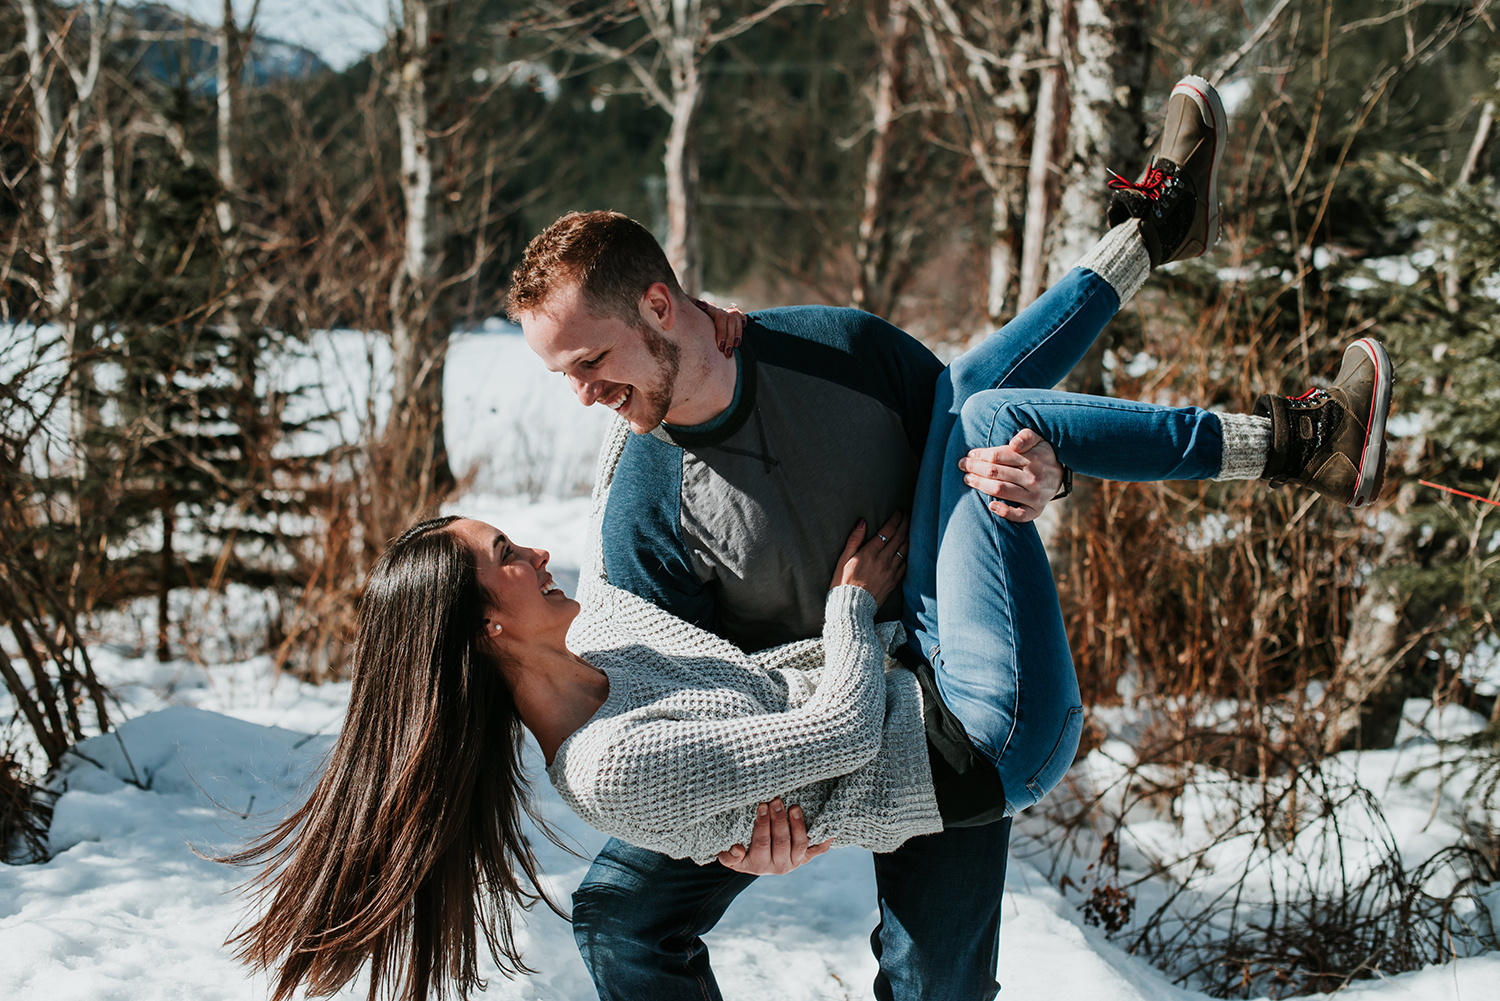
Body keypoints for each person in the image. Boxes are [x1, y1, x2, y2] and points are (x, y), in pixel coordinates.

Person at [227, 75, 1394, 1001]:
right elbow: (667, 750)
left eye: (590, 362)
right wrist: (735, 836)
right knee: (620, 908)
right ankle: (1270, 412)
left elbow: (967, 454)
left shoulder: (830, 350)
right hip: (861, 731)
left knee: (981, 404)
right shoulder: (634, 509)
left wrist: (1038, 486)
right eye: (560, 373)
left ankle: (1154, 245)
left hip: (920, 680)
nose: (580, 394)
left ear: (658, 305)